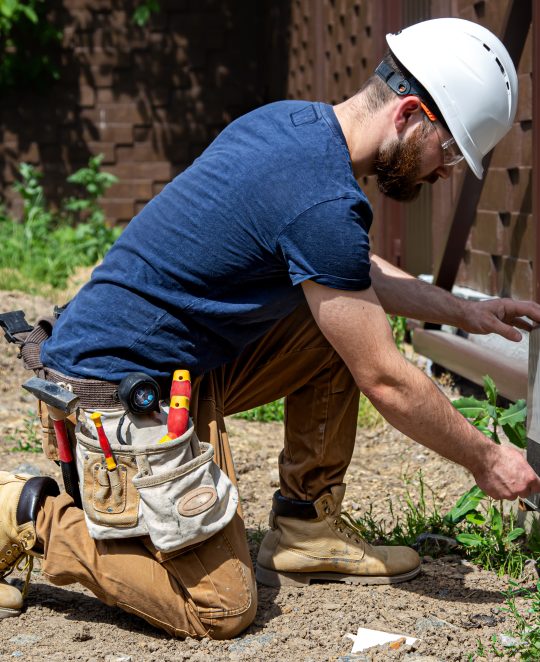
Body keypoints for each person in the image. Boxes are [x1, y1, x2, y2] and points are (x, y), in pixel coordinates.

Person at [2, 17, 540, 639]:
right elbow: (387, 381)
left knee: (339, 321)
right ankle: (25, 511)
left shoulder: (294, 126)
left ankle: (306, 525)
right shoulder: (321, 198)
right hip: (109, 392)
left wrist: (463, 311)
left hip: (173, 365)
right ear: (411, 113)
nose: (443, 172)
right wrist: (485, 459)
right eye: (448, 152)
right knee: (220, 608)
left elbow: (351, 271)